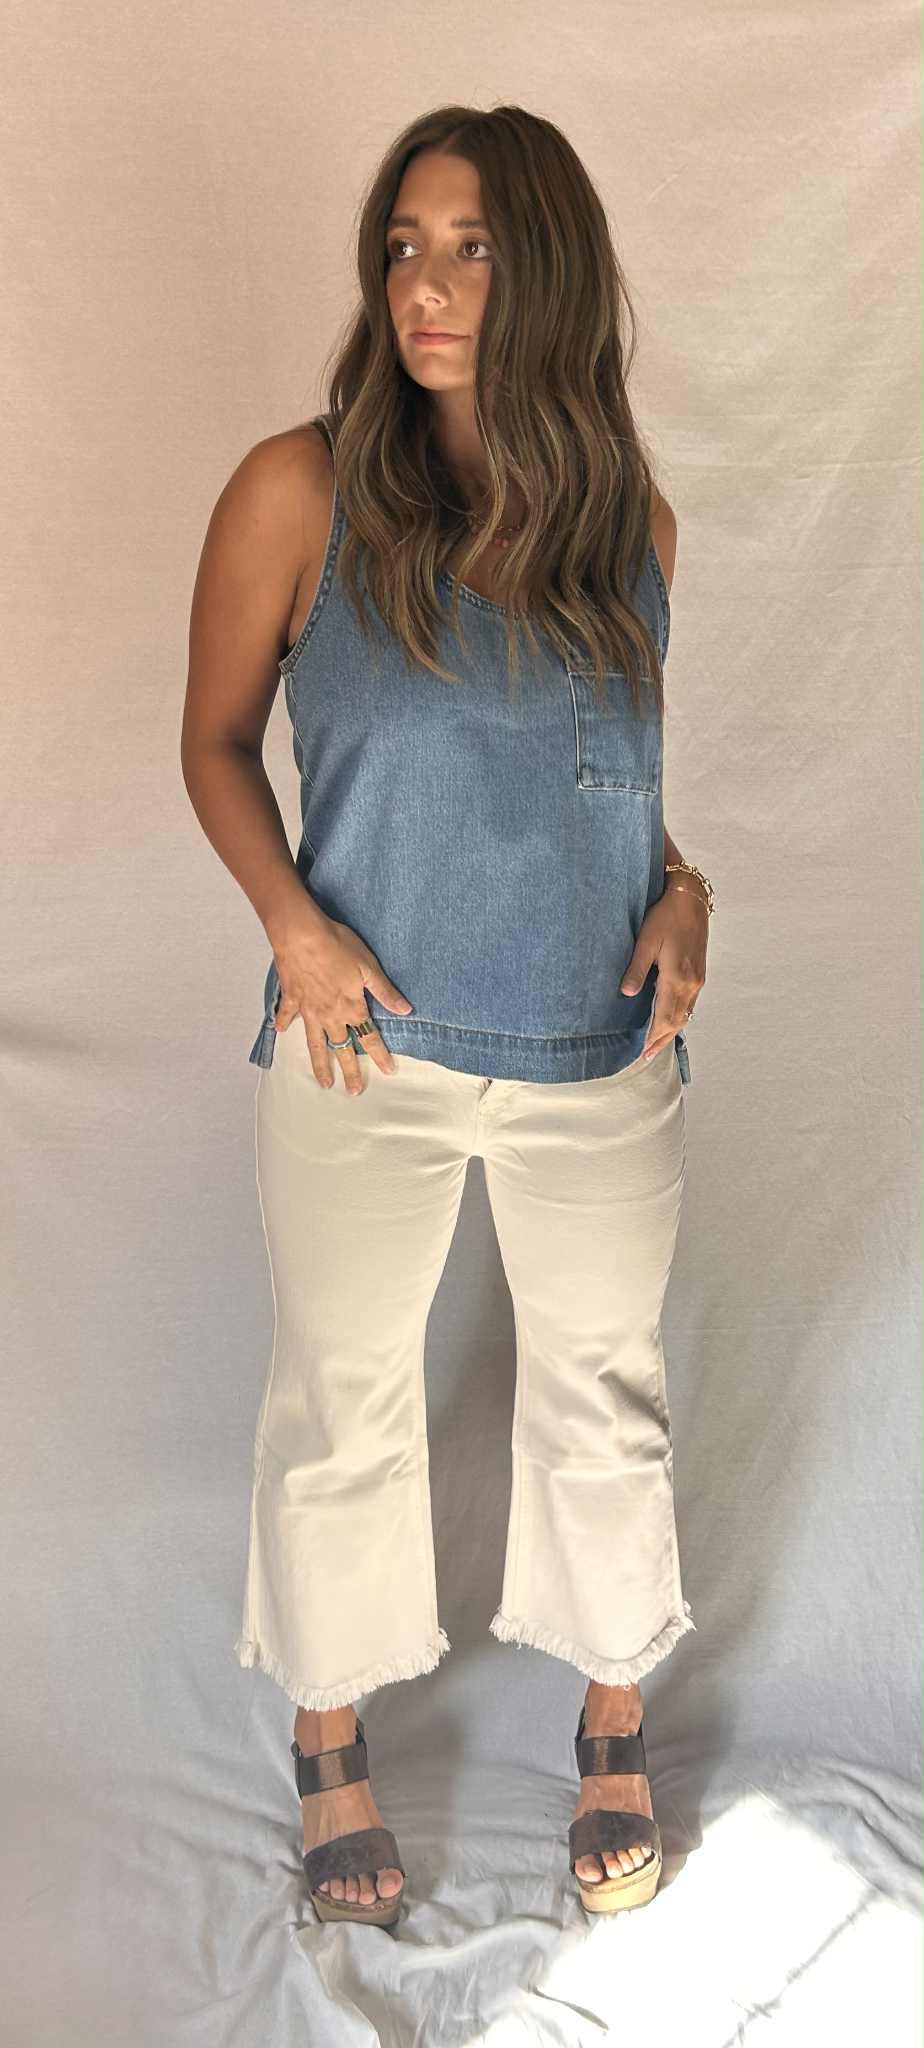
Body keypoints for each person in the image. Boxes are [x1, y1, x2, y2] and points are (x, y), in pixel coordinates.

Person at [181, 103, 712, 1930]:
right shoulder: (303, 490)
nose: (427, 282)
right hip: (367, 1048)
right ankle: (329, 1738)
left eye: (473, 247)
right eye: (406, 244)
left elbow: (601, 786)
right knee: (342, 1400)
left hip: (596, 1045)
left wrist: (685, 889)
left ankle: (613, 1720)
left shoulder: (631, 522)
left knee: (605, 1398)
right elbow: (215, 742)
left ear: (546, 267)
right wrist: (294, 930)